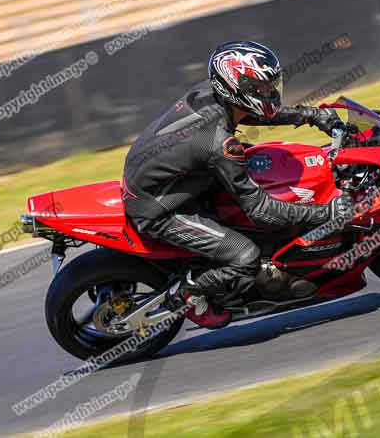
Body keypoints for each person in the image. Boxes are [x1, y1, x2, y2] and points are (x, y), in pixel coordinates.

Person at [122, 41, 354, 329]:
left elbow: (255, 111)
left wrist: (309, 115)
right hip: (158, 207)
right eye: (262, 88)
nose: (270, 93)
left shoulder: (209, 94)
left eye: (271, 85)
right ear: (236, 87)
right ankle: (188, 296)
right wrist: (324, 213)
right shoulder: (220, 143)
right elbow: (259, 210)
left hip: (170, 176)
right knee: (245, 257)